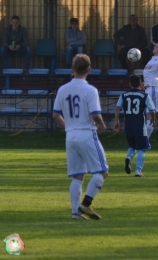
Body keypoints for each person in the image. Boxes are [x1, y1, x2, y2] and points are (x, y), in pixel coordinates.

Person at [53, 54, 109, 220]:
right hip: (86, 133)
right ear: (89, 70)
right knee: (102, 172)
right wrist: (102, 125)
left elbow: (56, 115)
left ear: (72, 69)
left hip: (70, 136)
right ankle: (85, 204)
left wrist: (69, 128)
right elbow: (95, 115)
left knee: (78, 175)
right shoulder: (90, 90)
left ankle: (74, 213)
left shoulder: (63, 89)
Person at [114, 74, 156, 177]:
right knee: (142, 148)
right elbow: (152, 110)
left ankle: (128, 157)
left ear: (129, 83)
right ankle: (138, 171)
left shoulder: (123, 95)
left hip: (128, 126)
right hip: (140, 126)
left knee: (132, 146)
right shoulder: (145, 95)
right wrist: (153, 119)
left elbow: (117, 108)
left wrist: (116, 121)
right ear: (141, 84)